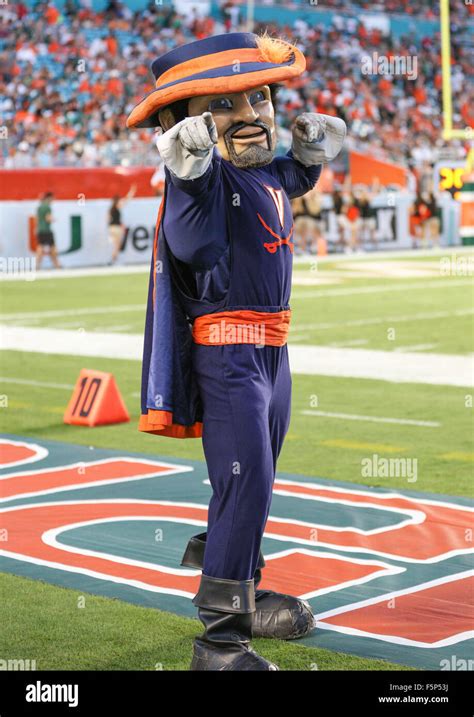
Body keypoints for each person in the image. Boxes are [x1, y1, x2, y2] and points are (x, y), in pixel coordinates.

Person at [127, 31, 346, 671]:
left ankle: (241, 594)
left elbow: (292, 177)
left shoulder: (267, 170)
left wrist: (310, 152)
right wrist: (189, 172)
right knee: (244, 481)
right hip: (228, 355)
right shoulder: (202, 180)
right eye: (226, 106)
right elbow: (194, 246)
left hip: (272, 357)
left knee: (256, 483)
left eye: (259, 97)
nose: (250, 115)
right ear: (184, 123)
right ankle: (219, 641)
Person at [108, 184, 136, 263]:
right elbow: (127, 200)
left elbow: (108, 219)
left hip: (111, 228)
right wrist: (132, 191)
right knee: (117, 245)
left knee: (115, 244)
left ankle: (114, 259)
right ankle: (113, 260)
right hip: (117, 228)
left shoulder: (111, 209)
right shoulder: (118, 206)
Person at [36, 192, 61, 269]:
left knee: (40, 247)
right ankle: (57, 265)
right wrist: (53, 219)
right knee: (53, 248)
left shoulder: (40, 207)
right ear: (49, 198)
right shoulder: (47, 207)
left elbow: (37, 219)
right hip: (47, 230)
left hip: (40, 230)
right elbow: (48, 218)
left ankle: (37, 266)